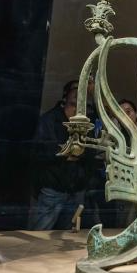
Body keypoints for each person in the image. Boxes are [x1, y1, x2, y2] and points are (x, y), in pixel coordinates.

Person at [30, 84, 92, 230]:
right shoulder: (49, 120)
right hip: (53, 189)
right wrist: (68, 154)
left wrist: (71, 154)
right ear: (66, 96)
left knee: (68, 233)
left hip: (76, 189)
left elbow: (90, 152)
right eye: (75, 90)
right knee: (40, 233)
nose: (78, 93)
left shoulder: (87, 122)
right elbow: (43, 151)